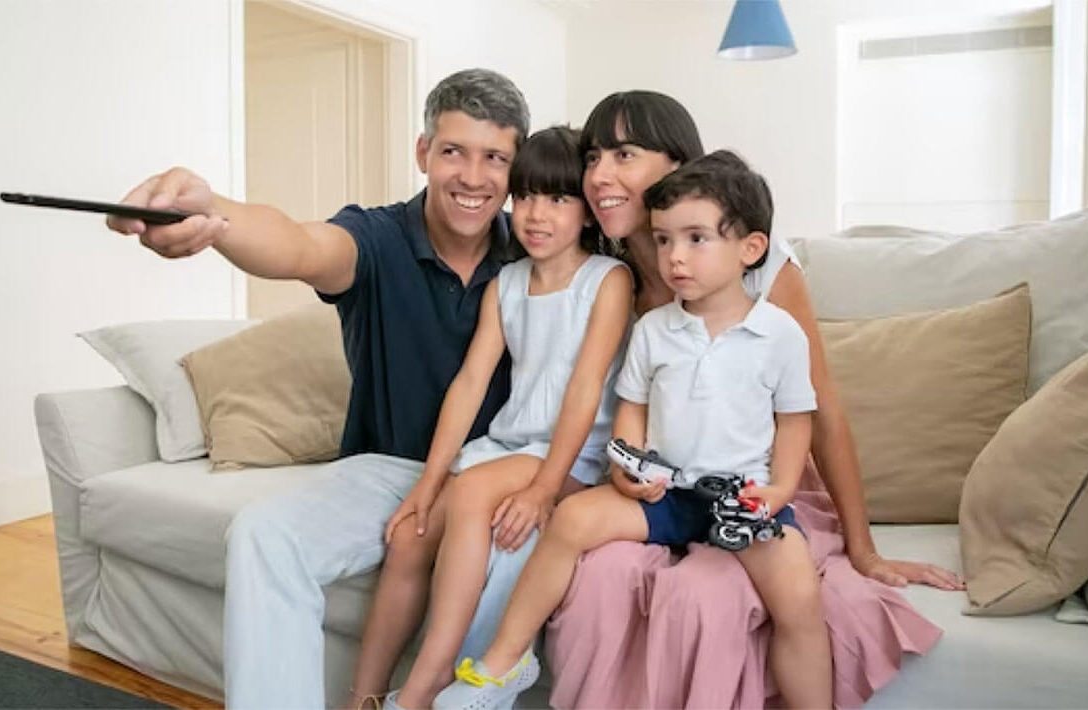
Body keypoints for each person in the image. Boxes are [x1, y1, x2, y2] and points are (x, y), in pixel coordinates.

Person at [105, 69, 552, 710]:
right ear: (423, 152)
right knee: (263, 533)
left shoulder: (537, 251)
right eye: (454, 151)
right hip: (387, 471)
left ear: (517, 167)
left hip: (497, 477)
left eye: (496, 158)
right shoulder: (376, 237)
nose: (473, 177)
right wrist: (215, 213)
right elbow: (296, 244)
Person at [543, 91, 959, 708]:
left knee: (721, 595)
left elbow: (817, 409)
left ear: (678, 165)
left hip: (749, 479)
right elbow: (609, 401)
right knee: (600, 576)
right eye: (593, 158)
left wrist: (864, 548)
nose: (600, 176)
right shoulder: (603, 266)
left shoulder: (751, 265)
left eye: (624, 155)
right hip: (661, 486)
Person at [435, 150, 833, 710]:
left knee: (798, 598)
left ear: (750, 248)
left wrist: (780, 490)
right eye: (664, 240)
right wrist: (627, 466)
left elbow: (794, 423)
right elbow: (632, 410)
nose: (674, 257)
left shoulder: (780, 334)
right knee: (571, 519)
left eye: (696, 239)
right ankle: (504, 662)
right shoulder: (653, 329)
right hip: (666, 495)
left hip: (742, 500)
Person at [352, 126, 632, 710]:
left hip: (576, 457)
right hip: (509, 447)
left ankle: (427, 685)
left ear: (586, 210)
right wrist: (429, 482)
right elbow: (470, 382)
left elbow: (585, 391)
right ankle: (365, 698)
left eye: (557, 199)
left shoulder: (608, 280)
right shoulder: (505, 284)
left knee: (474, 490)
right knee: (410, 535)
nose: (536, 214)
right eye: (524, 196)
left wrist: (544, 489)